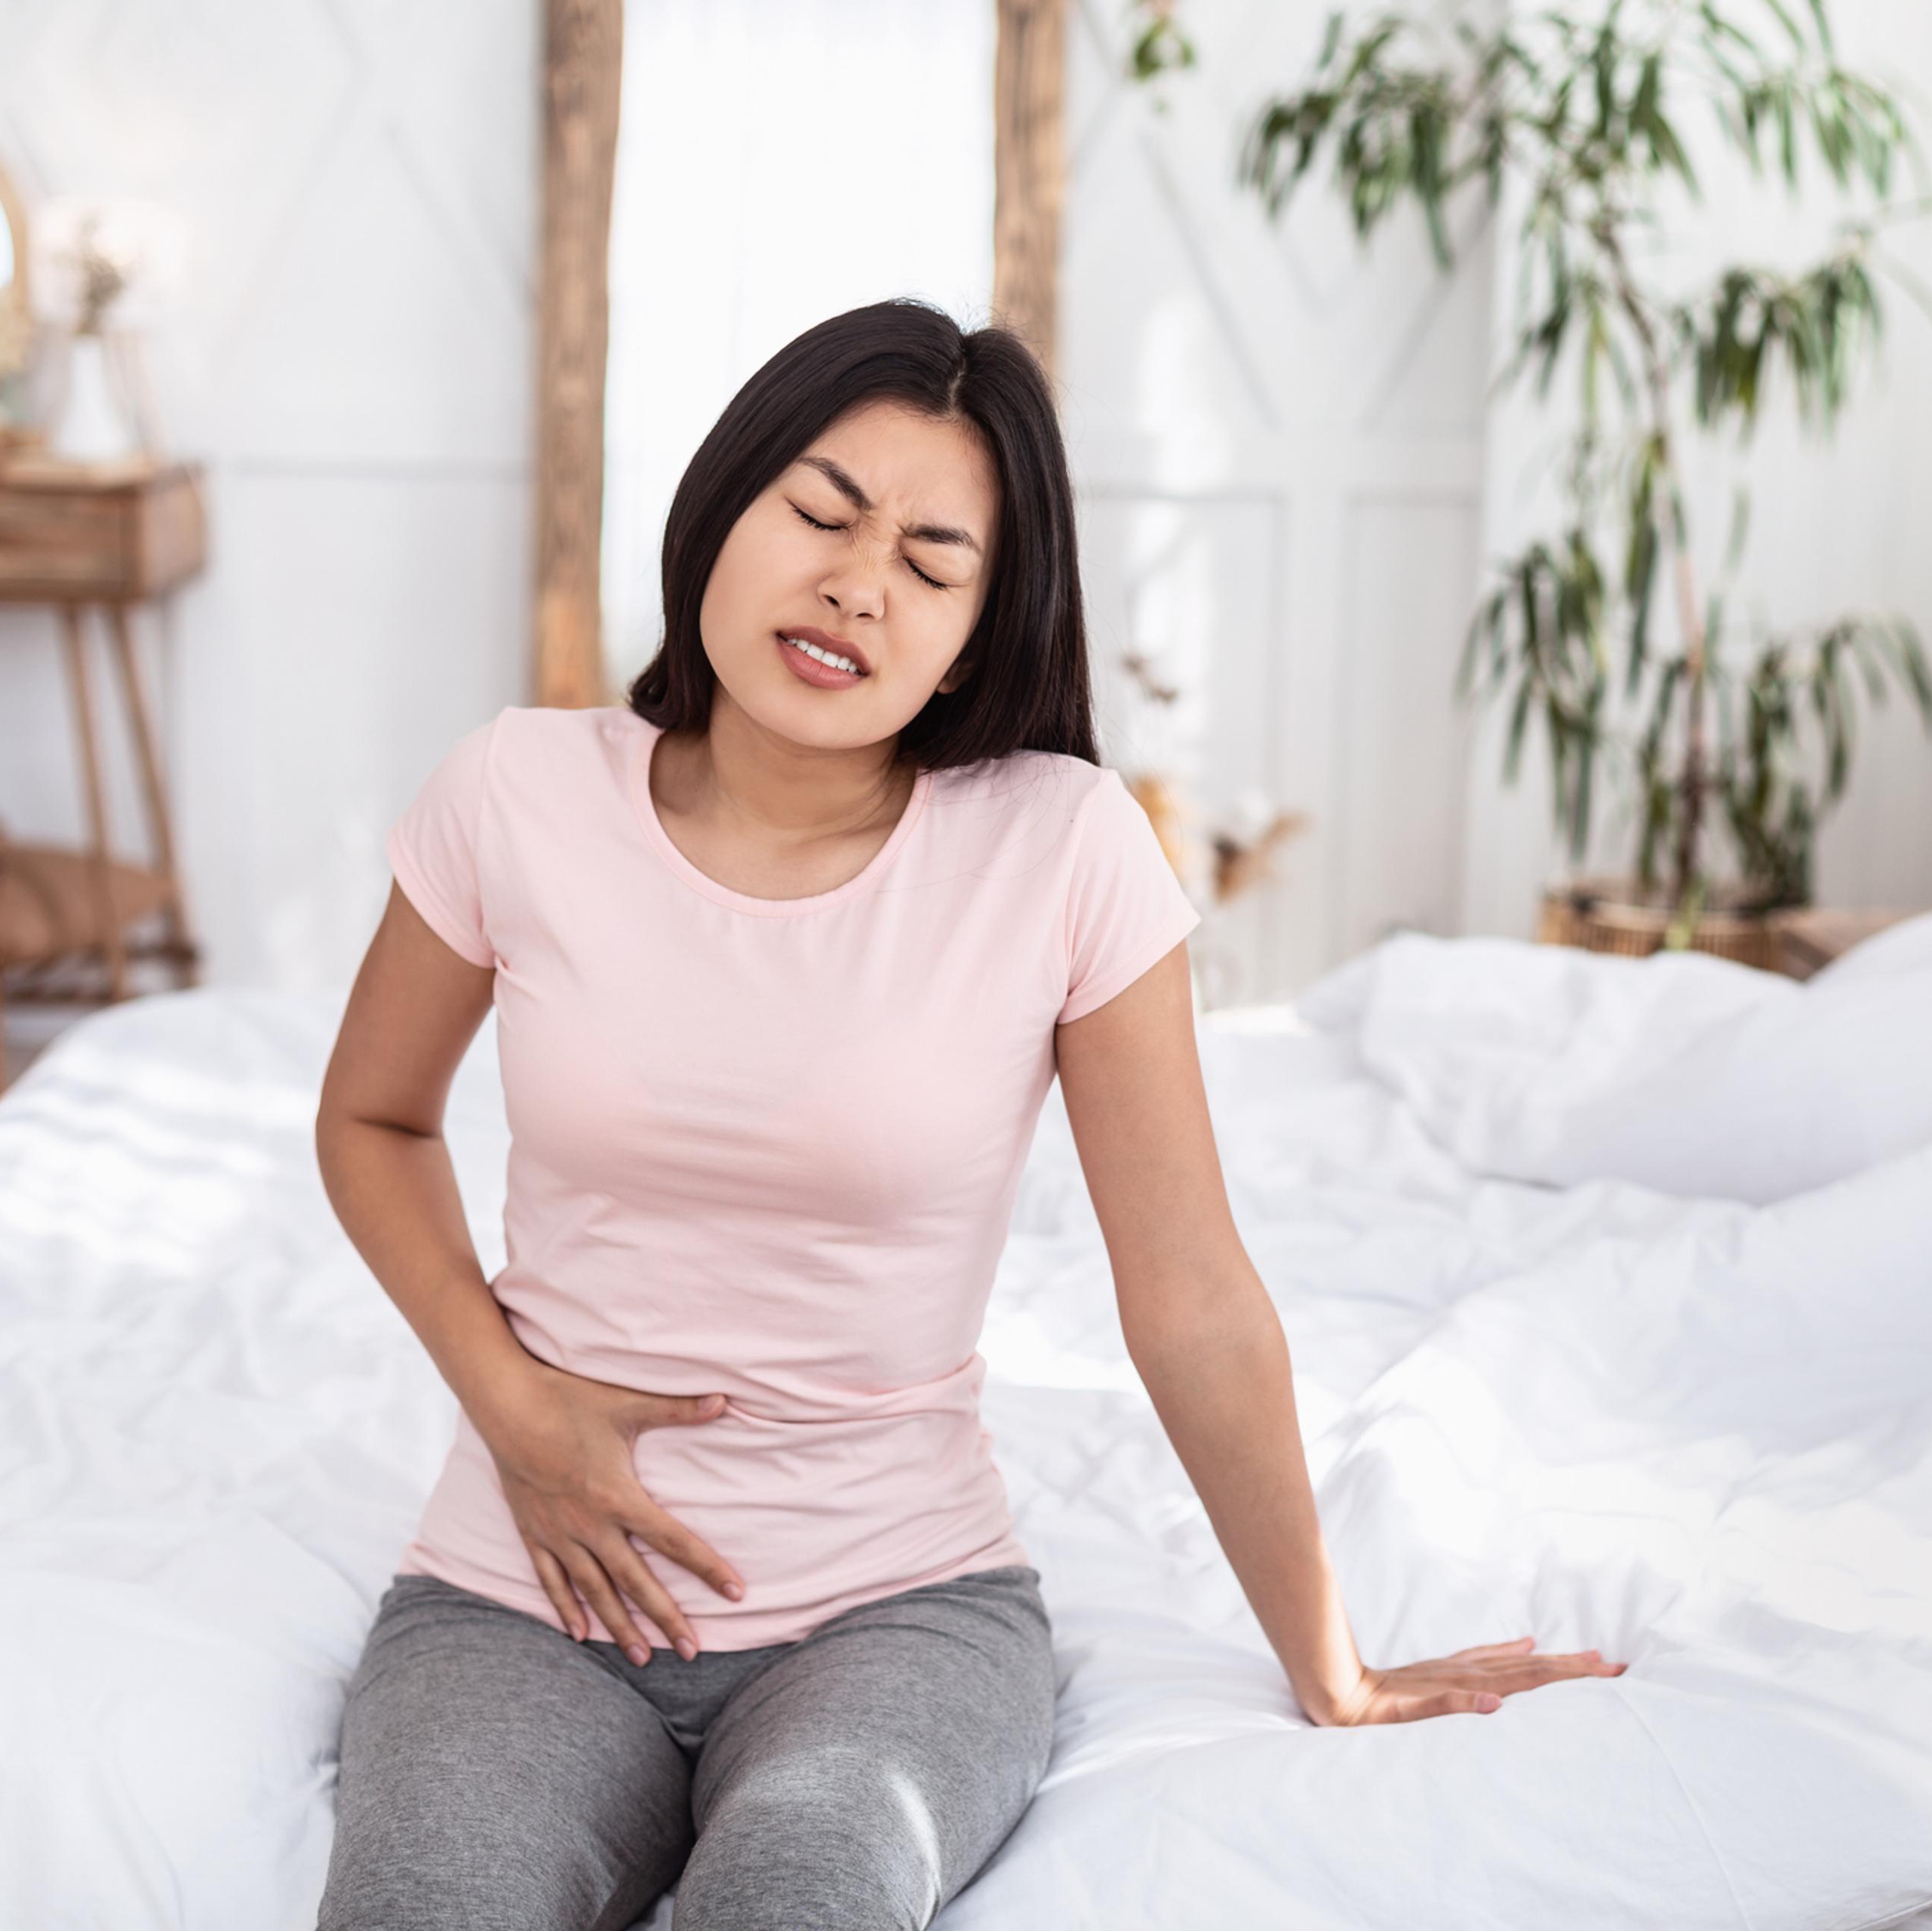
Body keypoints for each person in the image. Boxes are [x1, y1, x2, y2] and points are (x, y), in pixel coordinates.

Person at [310, 299, 1626, 1931]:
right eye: (821, 510)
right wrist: (510, 1403)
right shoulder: (517, 789)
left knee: (802, 1893)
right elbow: (372, 1117)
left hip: (895, 1612)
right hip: (519, 1592)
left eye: (934, 563)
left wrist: (1332, 1664)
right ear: (723, 506)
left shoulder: (1061, 845)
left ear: (980, 626)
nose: (860, 583)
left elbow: (1194, 1294)